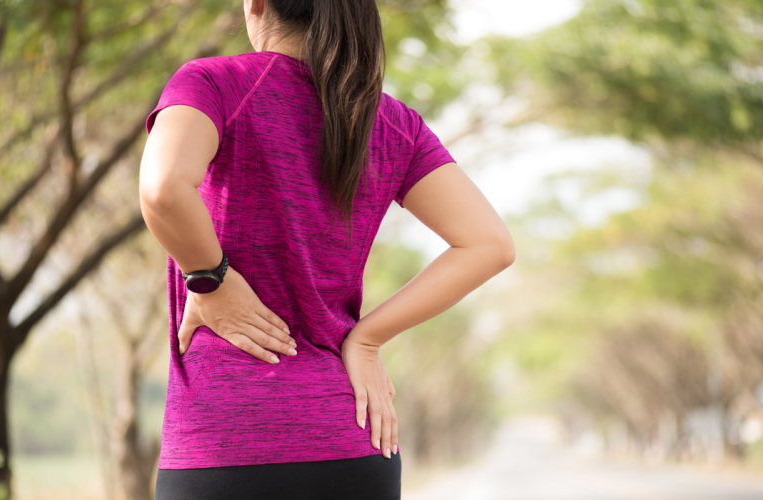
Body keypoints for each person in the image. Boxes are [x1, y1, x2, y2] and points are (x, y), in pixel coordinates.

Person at [137, 0, 515, 498]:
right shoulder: (391, 122)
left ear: (256, 4)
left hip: (227, 442)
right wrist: (367, 338)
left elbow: (163, 188)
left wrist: (211, 278)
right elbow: (489, 244)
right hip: (355, 438)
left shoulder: (213, 82)